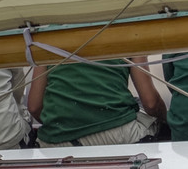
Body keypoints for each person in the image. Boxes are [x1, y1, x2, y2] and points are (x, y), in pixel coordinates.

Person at [28, 58, 165, 147]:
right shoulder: (128, 29)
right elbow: (151, 103)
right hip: (118, 133)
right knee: (142, 108)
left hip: (57, 140)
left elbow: (34, 107)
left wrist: (66, 125)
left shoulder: (45, 38)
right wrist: (165, 118)